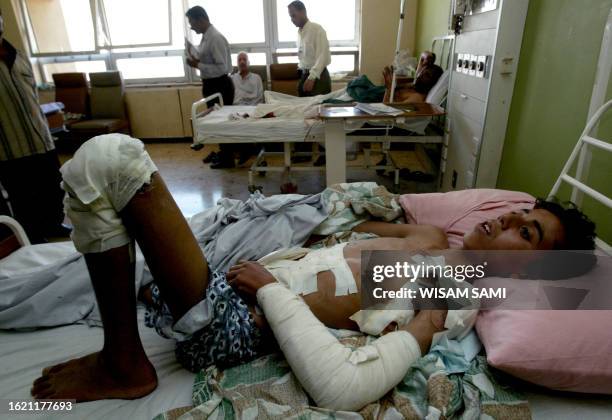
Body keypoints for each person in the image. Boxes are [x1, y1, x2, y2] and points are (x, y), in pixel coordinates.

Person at [31, 135, 596, 410]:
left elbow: (344, 385)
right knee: (104, 182)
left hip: (238, 320)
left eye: (527, 233)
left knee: (113, 160)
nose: (505, 221)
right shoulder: (428, 240)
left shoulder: (446, 292)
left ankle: (124, 363)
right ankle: (123, 349)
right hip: (251, 271)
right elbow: (339, 228)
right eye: (515, 213)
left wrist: (273, 292)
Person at [0, 7, 68, 243]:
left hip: (40, 138)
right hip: (9, 147)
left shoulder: (18, 55)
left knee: (53, 188)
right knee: (23, 196)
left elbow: (33, 97)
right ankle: (33, 237)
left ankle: (54, 225)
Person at [184, 6, 235, 169]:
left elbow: (222, 68)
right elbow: (210, 60)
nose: (191, 26)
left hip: (220, 85)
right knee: (217, 122)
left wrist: (197, 64)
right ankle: (225, 155)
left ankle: (229, 158)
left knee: (222, 123)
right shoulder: (206, 37)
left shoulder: (215, 38)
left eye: (192, 22)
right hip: (211, 84)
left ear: (201, 19)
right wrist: (195, 56)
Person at [288, 1, 331, 97]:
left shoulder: (317, 30)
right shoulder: (300, 33)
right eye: (290, 17)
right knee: (303, 110)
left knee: (317, 110)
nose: (292, 19)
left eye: (293, 15)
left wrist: (311, 78)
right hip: (304, 75)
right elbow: (303, 57)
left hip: (317, 76)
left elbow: (322, 57)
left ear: (303, 12)